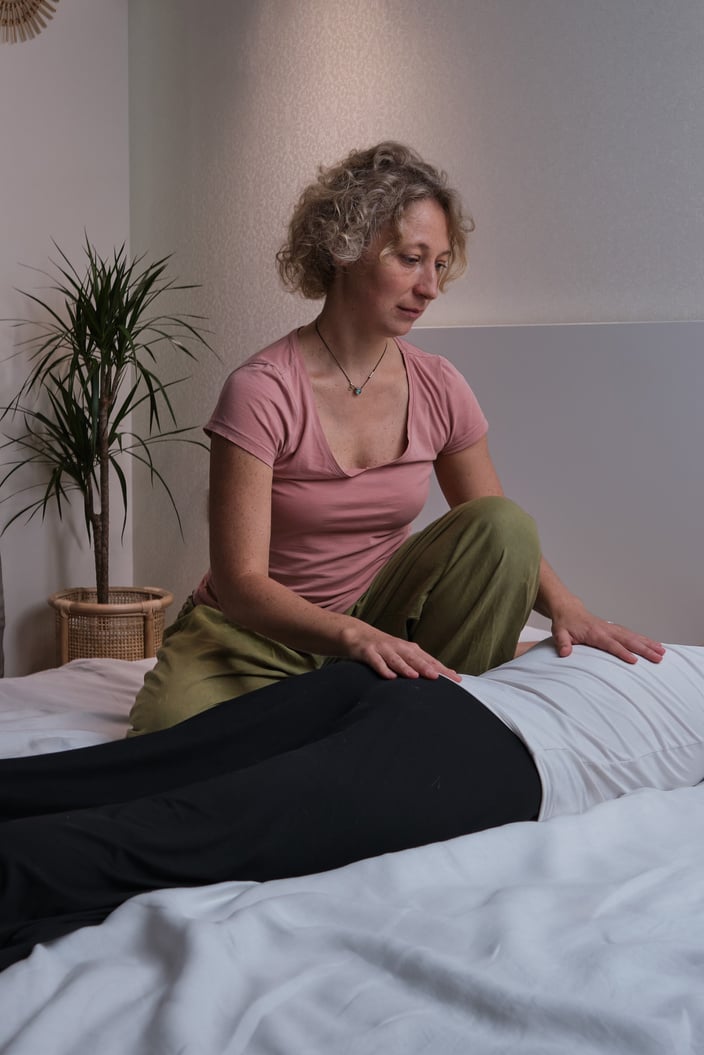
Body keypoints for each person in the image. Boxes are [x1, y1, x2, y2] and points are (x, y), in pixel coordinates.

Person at [128, 141, 664, 736]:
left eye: (439, 264)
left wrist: (569, 608)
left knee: (503, 520)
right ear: (345, 250)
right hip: (257, 634)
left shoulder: (439, 384)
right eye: (411, 258)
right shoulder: (262, 390)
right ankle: (358, 703)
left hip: (386, 619)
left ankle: (408, 711)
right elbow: (242, 583)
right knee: (163, 733)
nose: (430, 287)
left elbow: (494, 532)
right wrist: (353, 638)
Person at [2, 639, 704, 971]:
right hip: (479, 737)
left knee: (127, 771)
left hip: (411, 687)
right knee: (189, 830)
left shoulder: (659, 646)